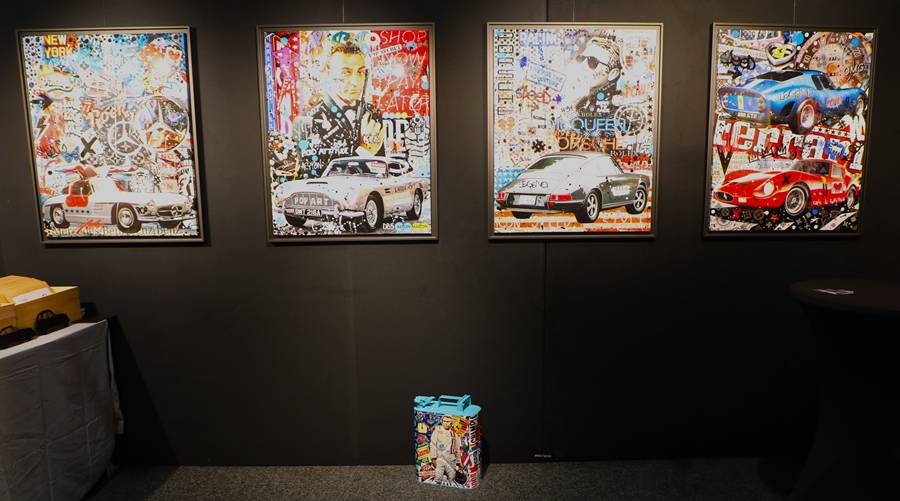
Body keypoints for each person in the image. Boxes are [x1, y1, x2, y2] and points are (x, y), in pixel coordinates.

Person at [302, 40, 385, 176]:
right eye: (345, 73)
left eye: (360, 72)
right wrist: (365, 151)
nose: (355, 82)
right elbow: (314, 178)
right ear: (329, 72)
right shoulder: (308, 120)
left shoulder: (372, 112)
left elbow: (380, 168)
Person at [560, 33, 622, 117]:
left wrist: (574, 105)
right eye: (581, 59)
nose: (582, 66)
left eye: (592, 61)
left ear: (613, 74)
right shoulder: (575, 95)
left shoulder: (616, 110)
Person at [429, 414, 461, 484]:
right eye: (444, 421)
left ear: (451, 423)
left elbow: (457, 449)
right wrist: (433, 458)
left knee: (452, 478)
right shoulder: (437, 432)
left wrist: (459, 462)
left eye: (448, 421)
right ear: (442, 422)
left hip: (451, 460)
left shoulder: (454, 434)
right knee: (438, 478)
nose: (446, 423)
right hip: (440, 458)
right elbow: (433, 445)